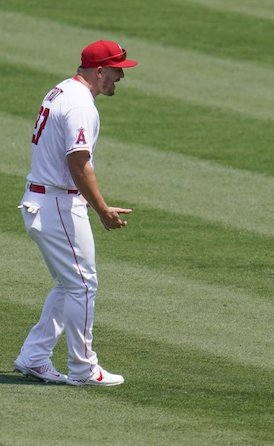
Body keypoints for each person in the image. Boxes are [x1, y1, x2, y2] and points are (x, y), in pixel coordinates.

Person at [14, 40, 138, 385]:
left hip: (45, 198)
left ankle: (34, 357)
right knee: (83, 285)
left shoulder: (61, 90)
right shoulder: (81, 104)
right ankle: (84, 368)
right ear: (99, 71)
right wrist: (101, 208)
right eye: (116, 71)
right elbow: (77, 160)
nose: (120, 79)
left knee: (70, 283)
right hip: (57, 203)